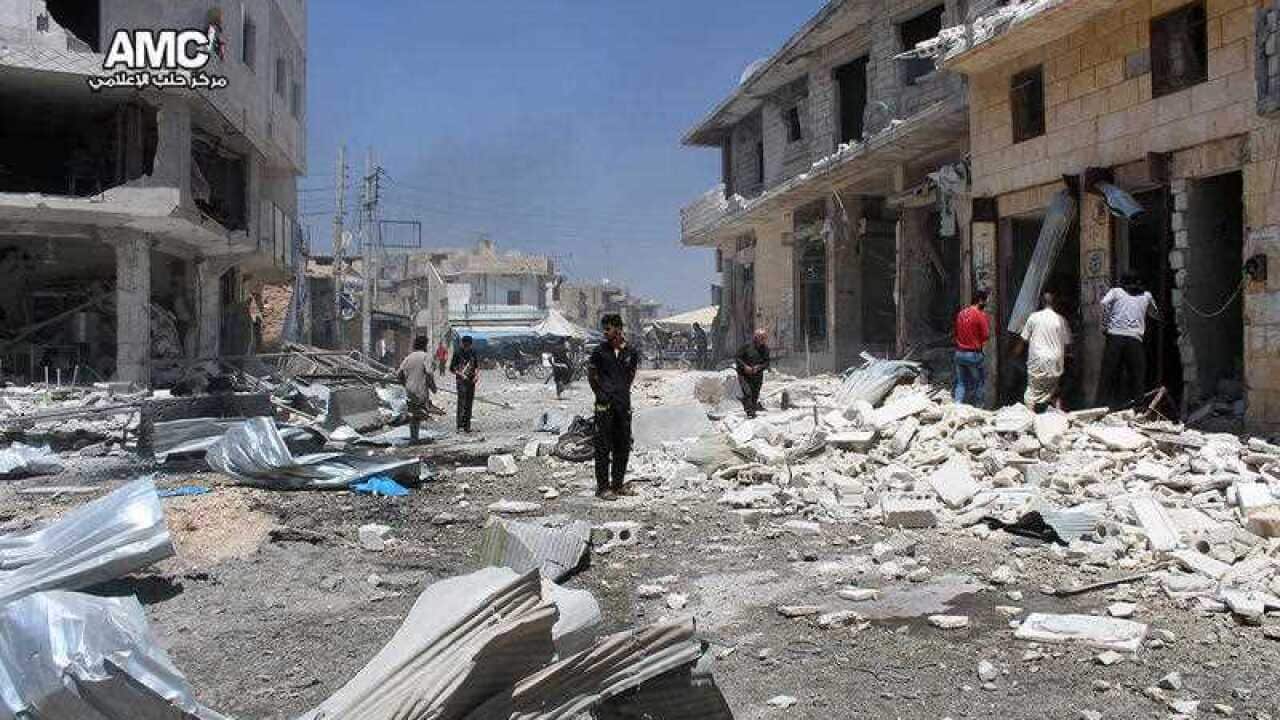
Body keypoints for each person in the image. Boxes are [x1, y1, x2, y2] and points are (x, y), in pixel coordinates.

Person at [588, 314, 640, 501]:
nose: (605, 332)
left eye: (608, 328)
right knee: (603, 447)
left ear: (618, 329)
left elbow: (631, 375)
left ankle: (618, 485)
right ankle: (603, 488)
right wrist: (601, 394)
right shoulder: (599, 352)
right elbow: (591, 376)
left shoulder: (631, 352)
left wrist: (622, 392)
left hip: (623, 404)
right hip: (604, 405)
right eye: (604, 328)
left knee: (622, 445)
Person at [1099, 273, 1159, 409]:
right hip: (1134, 340)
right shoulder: (1146, 295)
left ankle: (1102, 406)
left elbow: (1102, 304)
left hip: (1115, 338)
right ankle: (1138, 409)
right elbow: (1155, 314)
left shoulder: (1116, 291)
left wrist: (1105, 323)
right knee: (1137, 376)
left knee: (1108, 374)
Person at [1016, 291, 1072, 412]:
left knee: (1031, 393)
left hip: (1037, 361)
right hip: (1055, 362)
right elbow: (1068, 344)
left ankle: (1030, 419)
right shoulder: (1061, 320)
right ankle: (1058, 416)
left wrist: (1014, 355)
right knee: (1054, 391)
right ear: (1055, 303)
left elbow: (1023, 340)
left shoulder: (1033, 318)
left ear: (1041, 303)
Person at [397, 335, 439, 443]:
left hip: (409, 390)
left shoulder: (408, 357)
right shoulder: (426, 356)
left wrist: (405, 385)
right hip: (420, 390)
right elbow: (429, 374)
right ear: (425, 345)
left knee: (414, 414)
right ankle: (415, 438)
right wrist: (433, 387)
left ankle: (414, 437)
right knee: (418, 414)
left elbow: (399, 374)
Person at [953, 288, 991, 407]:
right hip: (973, 354)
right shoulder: (980, 315)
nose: (987, 304)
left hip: (959, 353)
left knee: (960, 383)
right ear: (980, 301)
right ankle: (979, 409)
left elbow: (956, 332)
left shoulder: (961, 314)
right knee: (979, 383)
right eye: (986, 301)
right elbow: (986, 336)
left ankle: (957, 406)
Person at [735, 329, 771, 418]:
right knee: (748, 392)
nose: (763, 340)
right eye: (761, 338)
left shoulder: (765, 349)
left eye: (764, 338)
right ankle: (750, 412)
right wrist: (745, 366)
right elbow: (737, 358)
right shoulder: (746, 346)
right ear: (756, 337)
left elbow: (767, 363)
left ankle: (752, 409)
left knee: (755, 394)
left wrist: (758, 367)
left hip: (757, 375)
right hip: (744, 375)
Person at [449, 335, 479, 432]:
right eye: (465, 345)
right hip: (461, 381)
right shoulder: (457, 353)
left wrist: (476, 376)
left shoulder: (473, 352)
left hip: (471, 381)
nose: (467, 347)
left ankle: (467, 426)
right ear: (462, 344)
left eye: (468, 345)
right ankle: (459, 426)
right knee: (461, 403)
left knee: (469, 403)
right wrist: (461, 375)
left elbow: (476, 366)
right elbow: (452, 368)